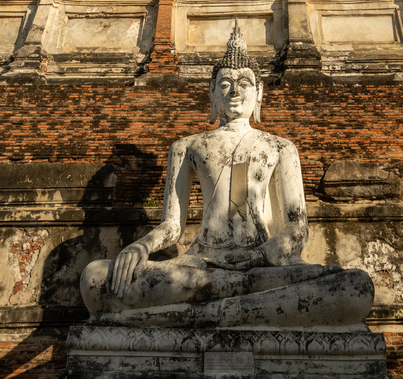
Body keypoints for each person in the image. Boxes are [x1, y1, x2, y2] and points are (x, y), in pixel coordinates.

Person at [80, 25, 373, 326]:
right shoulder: (186, 147)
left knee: (355, 286)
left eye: (244, 83)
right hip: (201, 266)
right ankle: (241, 308)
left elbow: (296, 229)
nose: (234, 91)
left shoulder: (280, 147)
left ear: (259, 93)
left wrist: (257, 257)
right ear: (212, 93)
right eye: (225, 84)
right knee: (96, 278)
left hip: (263, 267)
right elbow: (172, 225)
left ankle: (201, 314)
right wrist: (142, 245)